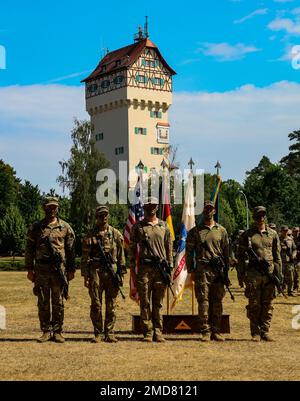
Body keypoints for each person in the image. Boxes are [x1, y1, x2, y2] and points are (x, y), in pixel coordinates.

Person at [25, 196, 76, 343]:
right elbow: (29, 249)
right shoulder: (36, 227)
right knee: (43, 301)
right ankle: (46, 331)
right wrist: (29, 269)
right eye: (49, 207)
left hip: (58, 270)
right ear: (44, 208)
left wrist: (71, 270)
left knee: (58, 301)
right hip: (41, 268)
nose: (52, 210)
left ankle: (58, 331)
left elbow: (71, 251)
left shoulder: (65, 228)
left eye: (54, 207)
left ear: (57, 208)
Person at [129, 197, 173, 343]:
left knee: (158, 303)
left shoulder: (164, 226)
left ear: (157, 207)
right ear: (145, 207)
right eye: (148, 206)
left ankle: (158, 331)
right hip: (144, 269)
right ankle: (148, 331)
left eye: (153, 205)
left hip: (161, 269)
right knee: (145, 302)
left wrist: (170, 268)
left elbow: (169, 248)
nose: (151, 208)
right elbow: (132, 248)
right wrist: (132, 269)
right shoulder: (138, 227)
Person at [80, 205, 126, 343]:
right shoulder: (90, 235)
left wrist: (121, 274)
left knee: (111, 304)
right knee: (96, 303)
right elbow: (84, 258)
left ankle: (110, 332)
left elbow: (121, 256)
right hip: (96, 271)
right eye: (101, 215)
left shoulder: (116, 234)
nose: (103, 217)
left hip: (111, 273)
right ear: (97, 217)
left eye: (105, 215)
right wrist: (86, 276)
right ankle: (98, 333)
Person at [186, 200, 230, 342]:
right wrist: (191, 270)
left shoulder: (221, 231)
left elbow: (226, 252)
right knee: (203, 301)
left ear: (214, 211)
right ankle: (205, 330)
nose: (208, 211)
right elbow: (189, 252)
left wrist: (226, 270)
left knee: (217, 301)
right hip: (202, 269)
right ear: (202, 211)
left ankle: (216, 330)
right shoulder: (195, 231)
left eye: (210, 209)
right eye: (206, 209)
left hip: (218, 271)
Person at [238, 206, 282, 342]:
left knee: (267, 304)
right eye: (258, 215)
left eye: (263, 215)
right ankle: (255, 332)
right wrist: (241, 275)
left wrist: (279, 276)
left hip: (269, 274)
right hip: (253, 274)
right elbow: (240, 256)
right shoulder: (247, 235)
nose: (261, 218)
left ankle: (265, 330)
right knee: (254, 304)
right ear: (254, 217)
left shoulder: (273, 234)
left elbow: (277, 256)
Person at [280, 226, 297, 296]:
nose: (285, 232)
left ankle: (290, 291)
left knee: (291, 277)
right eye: (284, 230)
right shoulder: (277, 239)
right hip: (280, 261)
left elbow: (294, 249)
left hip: (289, 261)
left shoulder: (290, 239)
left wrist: (293, 255)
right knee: (281, 277)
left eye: (286, 230)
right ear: (281, 231)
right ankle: (280, 291)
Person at [292, 227, 300, 294]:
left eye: (297, 231)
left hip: (298, 259)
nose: (296, 232)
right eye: (295, 231)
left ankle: (296, 288)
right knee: (293, 274)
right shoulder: (290, 238)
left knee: (297, 274)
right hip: (290, 259)